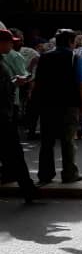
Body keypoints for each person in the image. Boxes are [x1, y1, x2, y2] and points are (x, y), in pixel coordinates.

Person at [33, 29, 82, 183]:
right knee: (68, 140)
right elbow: (80, 83)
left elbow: (39, 81)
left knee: (47, 141)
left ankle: (45, 173)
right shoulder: (74, 57)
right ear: (71, 42)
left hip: (47, 103)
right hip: (69, 104)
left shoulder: (45, 57)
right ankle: (69, 173)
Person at [0, 29, 38, 202]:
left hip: (5, 113)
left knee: (13, 153)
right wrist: (15, 82)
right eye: (9, 41)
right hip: (3, 115)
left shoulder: (3, 60)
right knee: (15, 153)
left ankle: (28, 190)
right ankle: (29, 191)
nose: (13, 44)